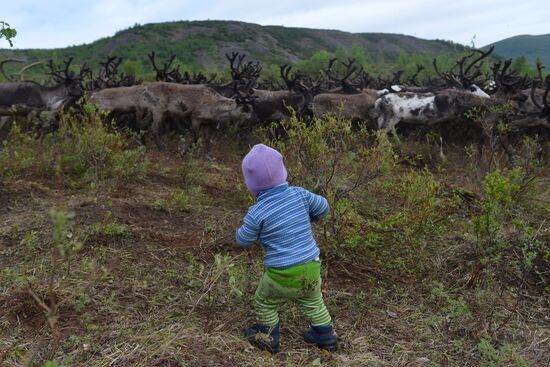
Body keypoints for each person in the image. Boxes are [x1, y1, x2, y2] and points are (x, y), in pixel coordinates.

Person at [235, 143, 337, 354]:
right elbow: (324, 207)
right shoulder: (300, 195)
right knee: (314, 301)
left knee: (264, 301)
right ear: (283, 172)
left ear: (251, 184)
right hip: (311, 267)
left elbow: (243, 240)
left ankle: (269, 336)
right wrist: (311, 216)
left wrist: (245, 233)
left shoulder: (257, 212)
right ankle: (325, 337)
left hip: (281, 274)